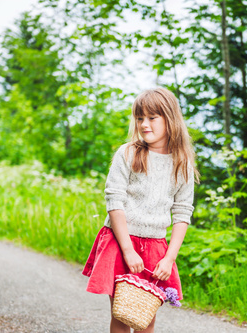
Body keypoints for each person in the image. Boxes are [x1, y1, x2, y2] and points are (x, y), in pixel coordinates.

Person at [81, 87, 200, 333]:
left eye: (152, 118)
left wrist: (169, 258)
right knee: (123, 315)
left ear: (170, 119)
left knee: (145, 319)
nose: (144, 124)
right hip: (121, 239)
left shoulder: (183, 163)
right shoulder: (127, 153)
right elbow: (114, 201)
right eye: (139, 118)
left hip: (156, 248)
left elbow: (182, 213)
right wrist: (128, 250)